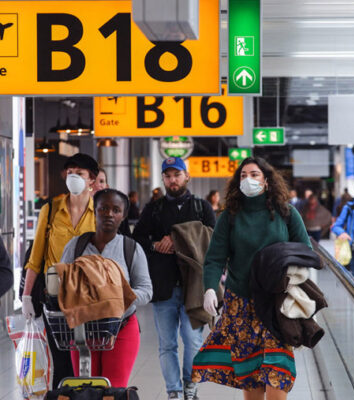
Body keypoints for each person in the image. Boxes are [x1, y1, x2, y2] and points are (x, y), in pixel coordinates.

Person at [191, 157, 311, 400]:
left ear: (266, 181)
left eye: (254, 175)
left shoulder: (286, 213)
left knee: (279, 372)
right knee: (250, 374)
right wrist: (210, 289)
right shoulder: (230, 217)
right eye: (243, 175)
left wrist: (288, 273)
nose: (248, 179)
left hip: (277, 304)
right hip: (241, 303)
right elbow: (214, 258)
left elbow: (305, 251)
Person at [133, 157, 216, 400]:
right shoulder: (154, 208)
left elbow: (214, 238)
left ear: (186, 176)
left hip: (195, 285)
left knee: (193, 340)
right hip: (164, 287)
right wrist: (156, 243)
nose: (173, 180)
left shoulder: (202, 207)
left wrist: (177, 238)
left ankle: (191, 385)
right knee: (167, 344)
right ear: (163, 179)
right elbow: (137, 239)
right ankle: (174, 390)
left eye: (177, 175)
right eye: (168, 176)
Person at [60, 189, 152, 387]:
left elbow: (146, 290)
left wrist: (115, 297)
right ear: (95, 210)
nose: (109, 214)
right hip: (82, 330)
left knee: (114, 389)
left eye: (116, 210)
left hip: (122, 328)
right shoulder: (76, 246)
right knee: (85, 389)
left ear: (123, 216)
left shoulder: (131, 248)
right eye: (104, 208)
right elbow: (61, 282)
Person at [21, 153, 99, 389]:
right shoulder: (51, 209)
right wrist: (26, 295)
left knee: (86, 360)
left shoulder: (100, 212)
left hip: (89, 298)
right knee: (62, 361)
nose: (73, 176)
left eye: (80, 173)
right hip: (54, 297)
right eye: (70, 172)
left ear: (92, 181)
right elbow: (36, 258)